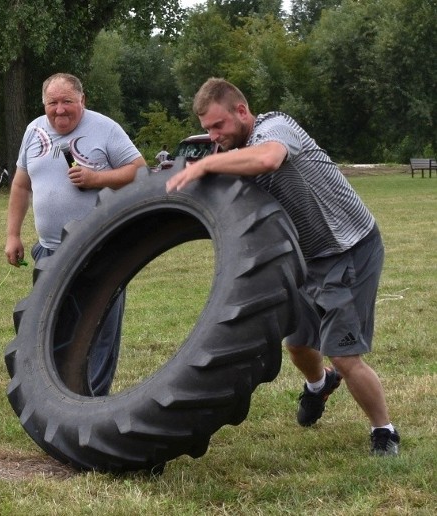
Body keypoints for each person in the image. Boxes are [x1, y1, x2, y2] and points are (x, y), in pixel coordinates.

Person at [166, 78, 399, 456]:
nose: (213, 136)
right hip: (308, 259)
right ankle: (320, 384)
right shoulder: (235, 149)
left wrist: (207, 164)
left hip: (348, 249)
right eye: (207, 128)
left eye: (218, 126)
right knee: (299, 344)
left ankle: (384, 431)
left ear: (241, 112)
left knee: (343, 353)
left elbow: (268, 159)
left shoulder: (275, 128)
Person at [4, 72, 147, 396]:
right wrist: (13, 235)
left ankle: (93, 404)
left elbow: (140, 170)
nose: (60, 110)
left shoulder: (105, 128)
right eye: (52, 103)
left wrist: (98, 179)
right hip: (49, 253)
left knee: (98, 330)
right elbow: (21, 184)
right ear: (44, 104)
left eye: (67, 101)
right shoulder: (33, 130)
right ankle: (57, 399)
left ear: (82, 100)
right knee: (51, 329)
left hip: (101, 250)